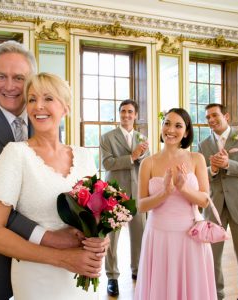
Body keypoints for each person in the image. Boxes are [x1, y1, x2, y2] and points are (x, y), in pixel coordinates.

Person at [0, 41, 103, 300]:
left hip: (64, 274)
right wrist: (52, 240)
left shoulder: (49, 124)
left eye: (19, 78)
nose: (10, 86)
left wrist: (96, 238)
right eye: (2, 76)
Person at [134, 108, 217, 300]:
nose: (171, 129)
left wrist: (184, 188)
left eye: (178, 125)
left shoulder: (196, 159)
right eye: (167, 123)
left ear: (186, 132)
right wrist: (165, 193)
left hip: (191, 236)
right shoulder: (148, 163)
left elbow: (205, 200)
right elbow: (141, 206)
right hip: (158, 235)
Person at [198, 103, 238, 300]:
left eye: (214, 115)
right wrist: (214, 170)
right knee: (211, 259)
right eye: (207, 117)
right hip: (214, 207)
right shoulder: (203, 145)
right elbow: (202, 176)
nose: (211, 120)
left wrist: (229, 164)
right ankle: (216, 296)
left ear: (226, 115)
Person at [100, 99, 149, 296]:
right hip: (114, 193)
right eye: (123, 111)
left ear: (135, 115)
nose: (126, 115)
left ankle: (137, 270)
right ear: (119, 114)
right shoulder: (107, 137)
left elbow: (146, 165)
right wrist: (132, 157)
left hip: (137, 194)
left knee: (140, 233)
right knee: (111, 237)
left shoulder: (142, 137)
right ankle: (112, 276)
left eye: (130, 111)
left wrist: (142, 156)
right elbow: (107, 164)